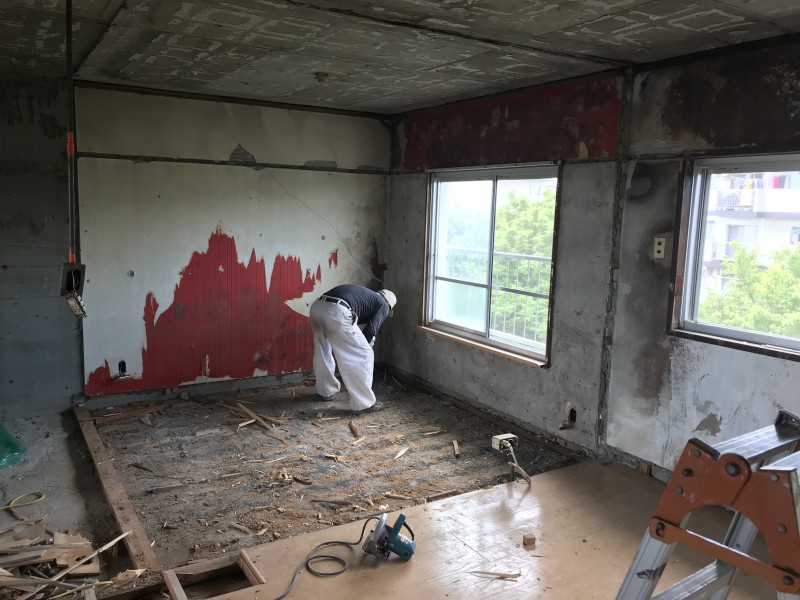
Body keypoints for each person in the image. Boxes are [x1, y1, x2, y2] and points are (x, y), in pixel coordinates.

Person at [309, 284, 396, 414]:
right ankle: (364, 404)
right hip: (336, 311)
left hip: (317, 307)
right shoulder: (383, 304)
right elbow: (371, 331)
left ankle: (326, 391)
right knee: (364, 354)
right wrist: (365, 348)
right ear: (389, 305)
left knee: (322, 350)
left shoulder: (368, 297)